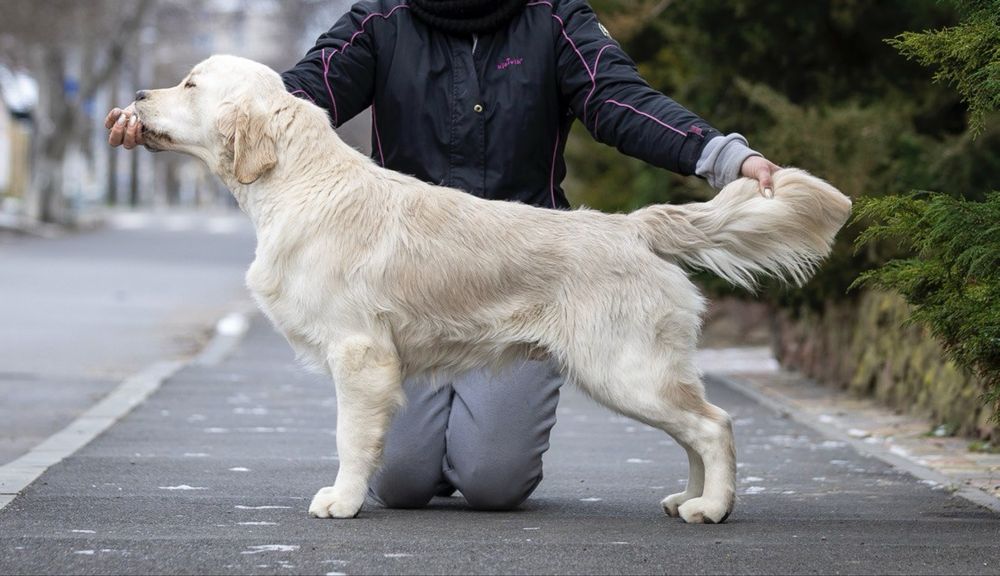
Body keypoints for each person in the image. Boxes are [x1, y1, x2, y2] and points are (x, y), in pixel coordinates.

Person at [107, 0, 780, 512]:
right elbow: (296, 96)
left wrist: (723, 157)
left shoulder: (554, 17)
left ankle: (703, 446)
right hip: (408, 278)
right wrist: (172, 126)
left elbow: (619, 100)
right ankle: (443, 430)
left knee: (492, 480)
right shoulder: (381, 18)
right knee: (399, 484)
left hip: (527, 274)